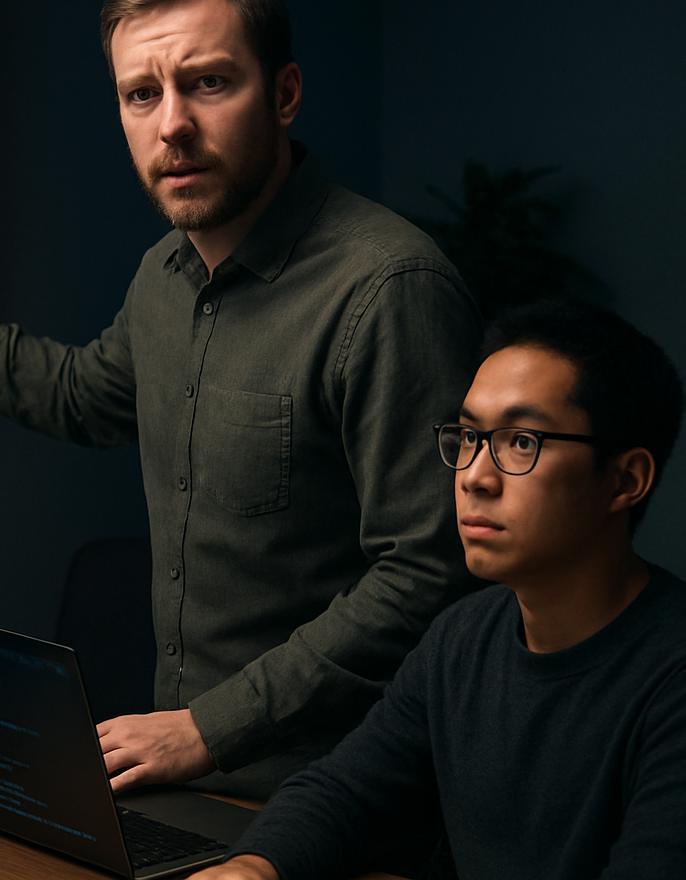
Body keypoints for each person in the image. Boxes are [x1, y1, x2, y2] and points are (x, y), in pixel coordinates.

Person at [0, 0, 481, 799]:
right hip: (192, 789)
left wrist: (209, 729)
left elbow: (427, 572)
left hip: (339, 799)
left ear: (285, 94)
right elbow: (83, 396)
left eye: (208, 83)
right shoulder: (166, 273)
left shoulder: (389, 289)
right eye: (141, 94)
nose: (172, 127)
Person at [196, 300, 686, 879]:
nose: (475, 475)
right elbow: (349, 791)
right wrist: (251, 869)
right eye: (470, 436)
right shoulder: (465, 636)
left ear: (625, 480)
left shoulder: (670, 678)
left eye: (522, 442)